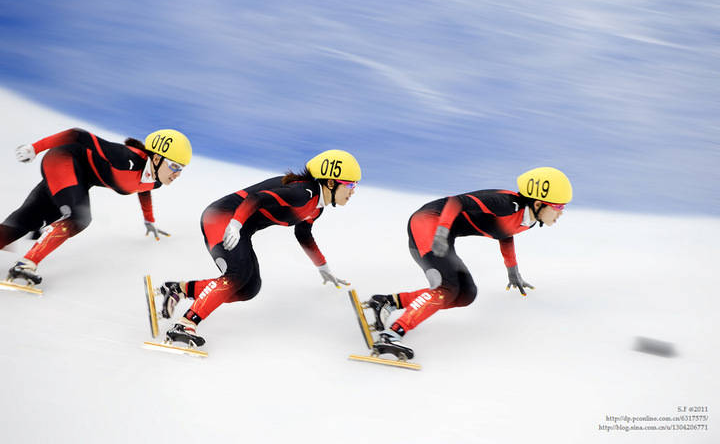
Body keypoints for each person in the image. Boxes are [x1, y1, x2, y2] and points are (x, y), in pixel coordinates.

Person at [363, 167, 573, 358]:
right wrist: (444, 230)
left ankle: (386, 301)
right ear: (538, 203)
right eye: (558, 206)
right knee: (447, 287)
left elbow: (506, 233)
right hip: (430, 223)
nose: (561, 212)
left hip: (442, 232)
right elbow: (457, 202)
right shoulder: (507, 204)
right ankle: (392, 334)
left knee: (465, 294)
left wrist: (512, 269)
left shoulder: (528, 219)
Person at [158, 149, 361, 347]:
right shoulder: (303, 194)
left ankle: (178, 289)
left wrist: (323, 267)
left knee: (250, 288)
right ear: (331, 182)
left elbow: (303, 234)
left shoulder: (316, 207)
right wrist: (236, 224)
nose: (353, 191)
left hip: (240, 226)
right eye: (350, 184)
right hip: (222, 218)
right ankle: (185, 324)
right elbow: (257, 199)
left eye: (356, 186)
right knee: (237, 275)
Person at [0, 127, 192, 284]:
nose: (177, 174)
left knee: (28, 219)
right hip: (63, 159)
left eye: (181, 169)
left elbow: (143, 189)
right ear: (157, 159)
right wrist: (35, 147)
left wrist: (149, 220)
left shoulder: (156, 180)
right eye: (175, 166)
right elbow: (78, 135)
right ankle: (26, 264)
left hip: (78, 178)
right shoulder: (126, 159)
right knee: (79, 218)